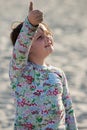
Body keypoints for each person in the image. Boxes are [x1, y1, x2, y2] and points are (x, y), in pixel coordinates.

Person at [9, 1, 78, 130]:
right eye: (40, 37)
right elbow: (20, 48)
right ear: (27, 48)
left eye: (48, 34)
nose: (48, 38)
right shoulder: (21, 71)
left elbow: (68, 108)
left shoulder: (58, 73)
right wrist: (30, 24)